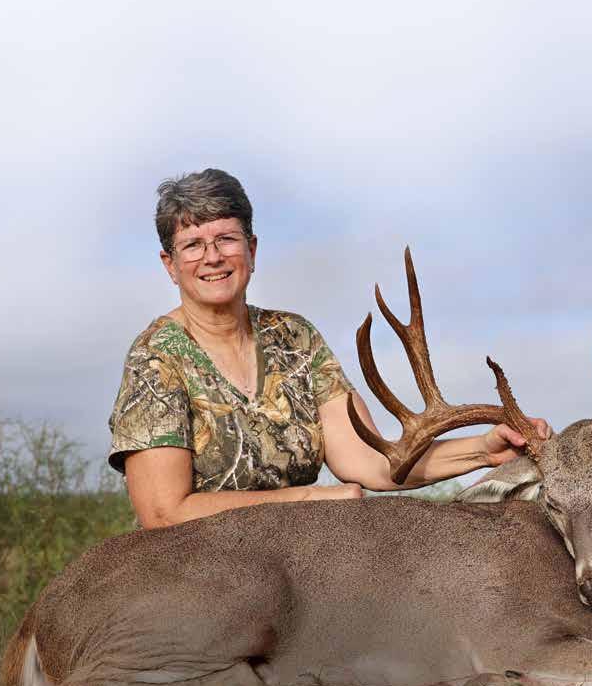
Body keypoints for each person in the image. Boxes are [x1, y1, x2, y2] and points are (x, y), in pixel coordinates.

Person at [108, 168, 552, 530]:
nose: (212, 257)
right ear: (170, 265)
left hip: (302, 561)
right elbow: (163, 512)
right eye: (192, 245)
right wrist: (307, 501)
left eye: (226, 239)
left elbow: (372, 462)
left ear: (252, 250)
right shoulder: (156, 359)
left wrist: (483, 450)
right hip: (195, 570)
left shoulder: (295, 338)